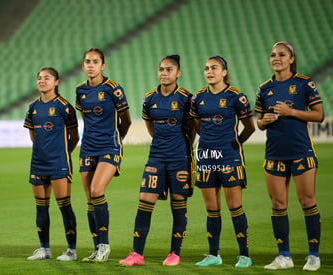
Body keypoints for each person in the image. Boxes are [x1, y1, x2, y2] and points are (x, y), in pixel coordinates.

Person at [119, 54, 196, 267]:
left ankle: (174, 253)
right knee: (144, 200)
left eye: (169, 69)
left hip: (180, 158)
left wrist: (180, 146)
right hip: (156, 157)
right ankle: (137, 254)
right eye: (161, 69)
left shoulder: (187, 98)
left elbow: (191, 128)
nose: (164, 73)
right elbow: (151, 128)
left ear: (178, 73)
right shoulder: (149, 98)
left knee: (178, 204)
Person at [255, 41, 324, 271]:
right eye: (273, 54)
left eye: (282, 54)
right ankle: (284, 256)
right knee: (278, 204)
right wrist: (264, 121)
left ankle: (313, 256)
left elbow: (319, 115)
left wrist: (290, 112)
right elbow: (259, 122)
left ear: (291, 59)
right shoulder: (264, 88)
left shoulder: (305, 84)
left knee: (307, 201)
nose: (276, 58)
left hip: (300, 151)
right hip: (274, 153)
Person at [190, 56, 255, 268]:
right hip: (206, 157)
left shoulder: (237, 97)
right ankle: (213, 255)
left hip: (229, 157)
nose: (209, 71)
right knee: (212, 209)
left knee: (235, 207)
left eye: (214, 68)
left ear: (224, 72)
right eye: (206, 68)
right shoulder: (198, 98)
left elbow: (250, 127)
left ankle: (244, 255)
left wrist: (235, 145)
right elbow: (197, 125)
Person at [75, 48, 132, 262]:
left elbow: (126, 120)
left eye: (95, 61)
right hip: (88, 147)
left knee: (97, 190)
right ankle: (96, 247)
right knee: (90, 199)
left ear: (103, 66)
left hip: (109, 146)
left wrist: (116, 139)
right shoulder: (80, 91)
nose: (91, 65)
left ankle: (105, 245)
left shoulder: (113, 89)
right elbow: (85, 117)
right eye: (87, 61)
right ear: (83, 66)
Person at [24, 67, 79, 261]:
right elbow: (33, 135)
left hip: (59, 164)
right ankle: (44, 249)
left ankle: (71, 250)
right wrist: (44, 152)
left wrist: (61, 155)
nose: (42, 81)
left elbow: (74, 137)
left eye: (46, 78)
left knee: (64, 206)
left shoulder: (65, 106)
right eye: (39, 78)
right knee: (41, 207)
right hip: (38, 163)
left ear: (56, 82)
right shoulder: (33, 107)